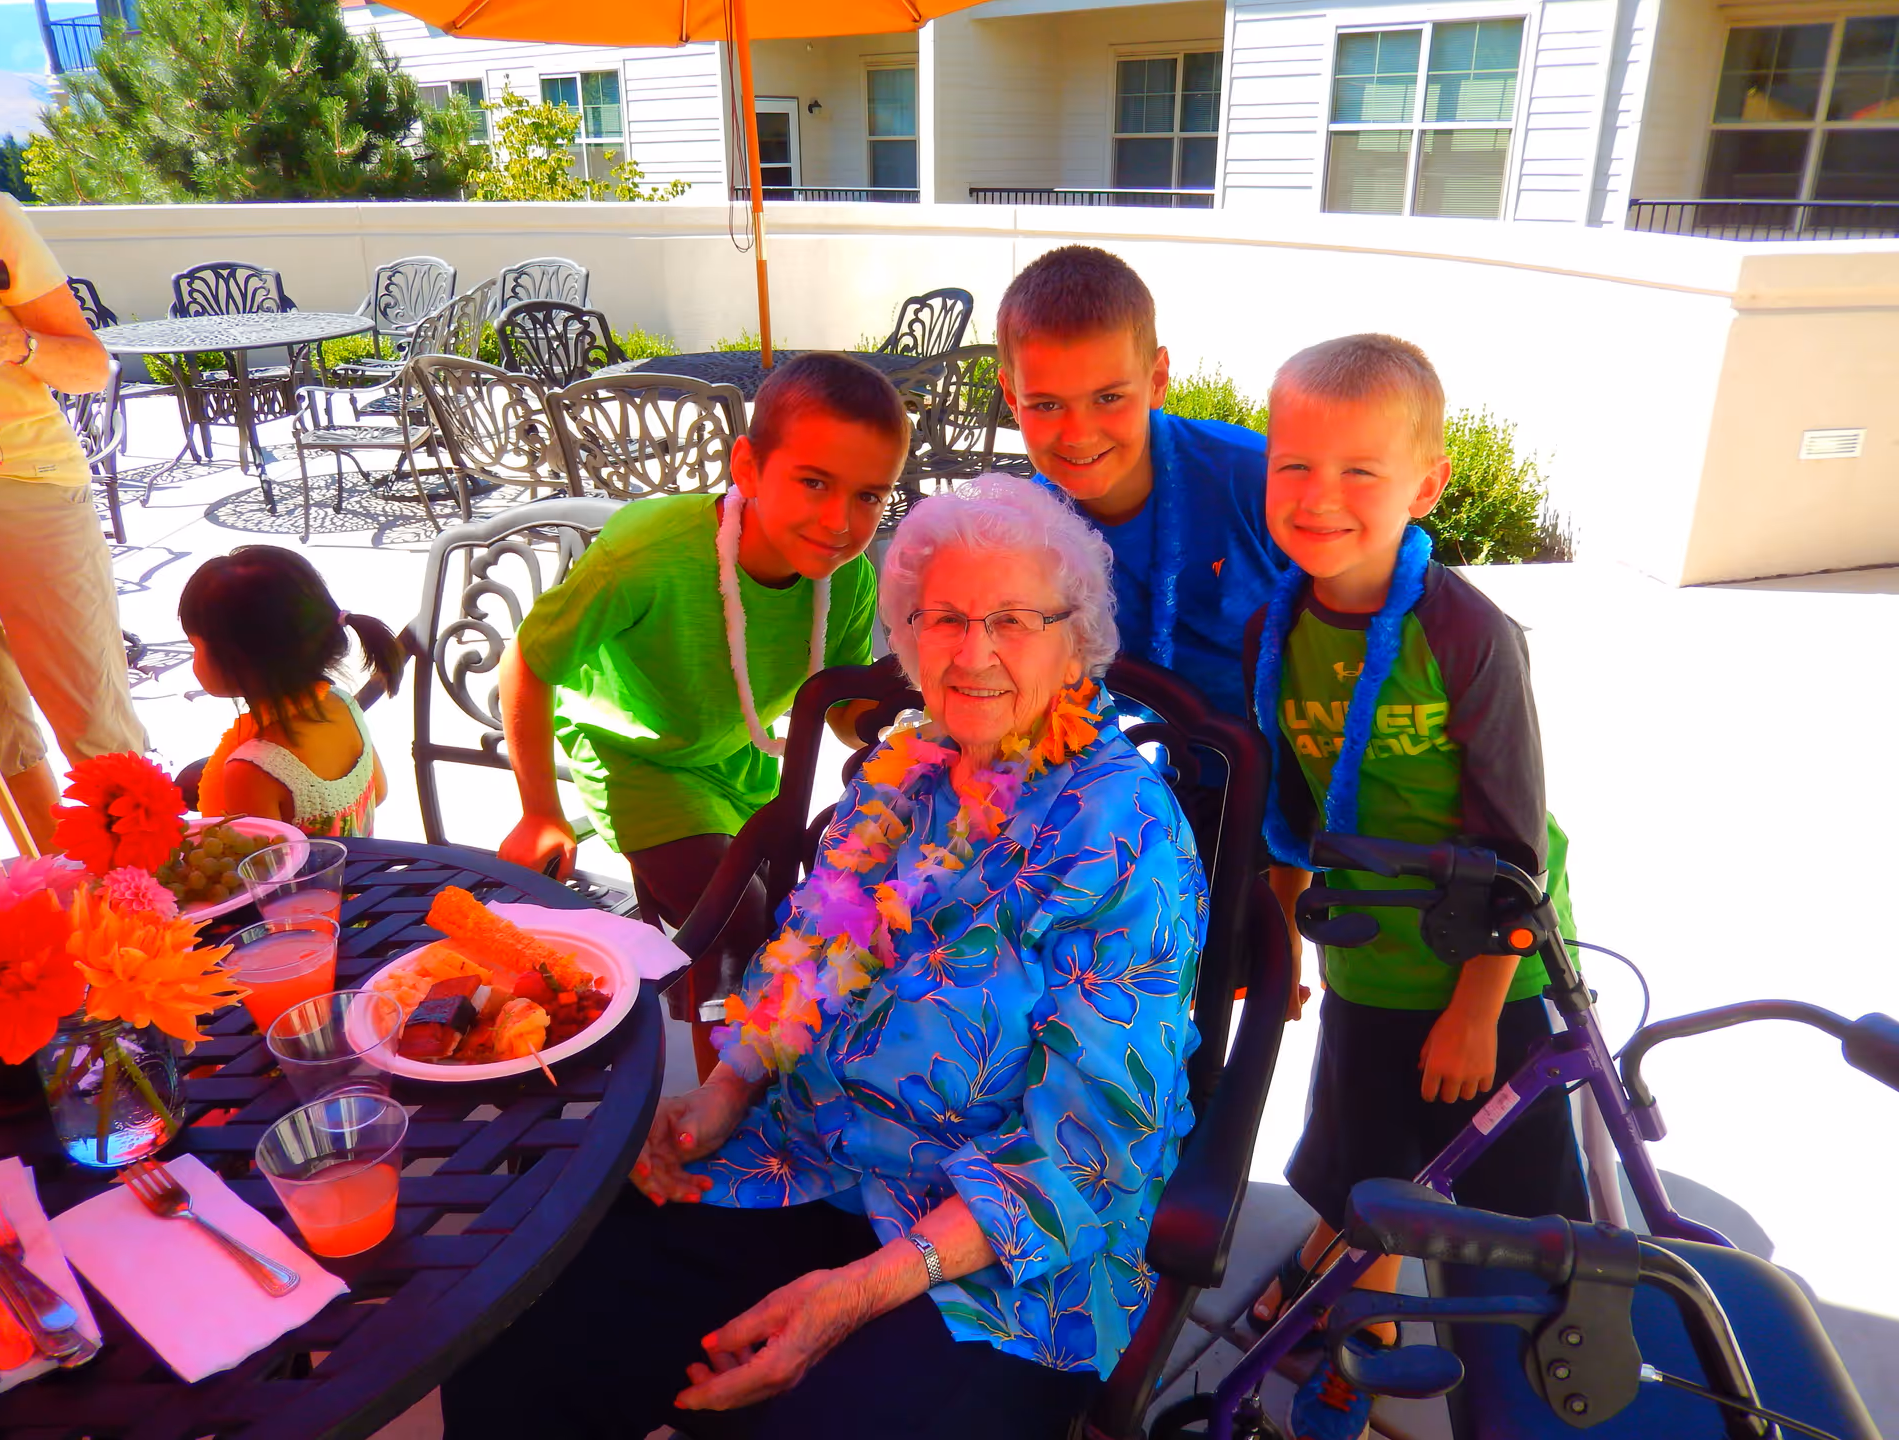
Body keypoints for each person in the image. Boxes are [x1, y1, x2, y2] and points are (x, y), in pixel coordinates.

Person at [443, 475, 1208, 1440]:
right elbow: (806, 952)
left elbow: (1093, 1142)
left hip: (995, 1258)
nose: (974, 653)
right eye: (943, 618)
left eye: (1014, 620)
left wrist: (849, 1297)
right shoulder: (903, 774)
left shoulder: (1125, 832)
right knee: (518, 1340)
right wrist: (719, 1097)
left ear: (1076, 642)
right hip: (804, 1159)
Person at [1240, 334, 1588, 1440]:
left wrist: (1481, 1006)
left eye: (1359, 472)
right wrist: (1287, 944)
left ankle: (1537, 1384)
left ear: (1426, 486)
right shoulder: (1276, 629)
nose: (1320, 497)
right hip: (1367, 965)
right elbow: (1288, 813)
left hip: (1489, 962)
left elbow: (1517, 845)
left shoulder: (1467, 634)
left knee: (1515, 1209)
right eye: (1295, 465)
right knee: (1365, 1170)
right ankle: (1358, 1330)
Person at [496, 352, 906, 1078]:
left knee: (798, 919)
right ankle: (716, 1121)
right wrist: (538, 810)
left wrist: (908, 728)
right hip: (637, 759)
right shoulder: (643, 555)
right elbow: (526, 662)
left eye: (870, 497)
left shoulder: (848, 581)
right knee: (736, 928)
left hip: (742, 760)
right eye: (814, 482)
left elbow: (838, 708)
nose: (841, 522)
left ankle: (737, 1055)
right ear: (746, 467)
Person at [996, 243, 1287, 718]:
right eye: (1047, 405)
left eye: (1109, 397)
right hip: (1111, 782)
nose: (1079, 434)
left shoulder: (1255, 478)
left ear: (1157, 379)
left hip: (1280, 778)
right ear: (1011, 394)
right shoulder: (1026, 534)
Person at [0, 187, 146, 852]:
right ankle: (62, 885)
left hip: (25, 479)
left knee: (92, 718)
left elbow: (89, 365)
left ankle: (153, 893)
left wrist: (16, 345)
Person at [179, 546, 403, 837]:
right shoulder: (344, 704)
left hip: (313, 884)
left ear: (239, 659)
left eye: (195, 646)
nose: (193, 659)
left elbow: (260, 872)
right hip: (367, 872)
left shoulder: (251, 769)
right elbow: (379, 792)